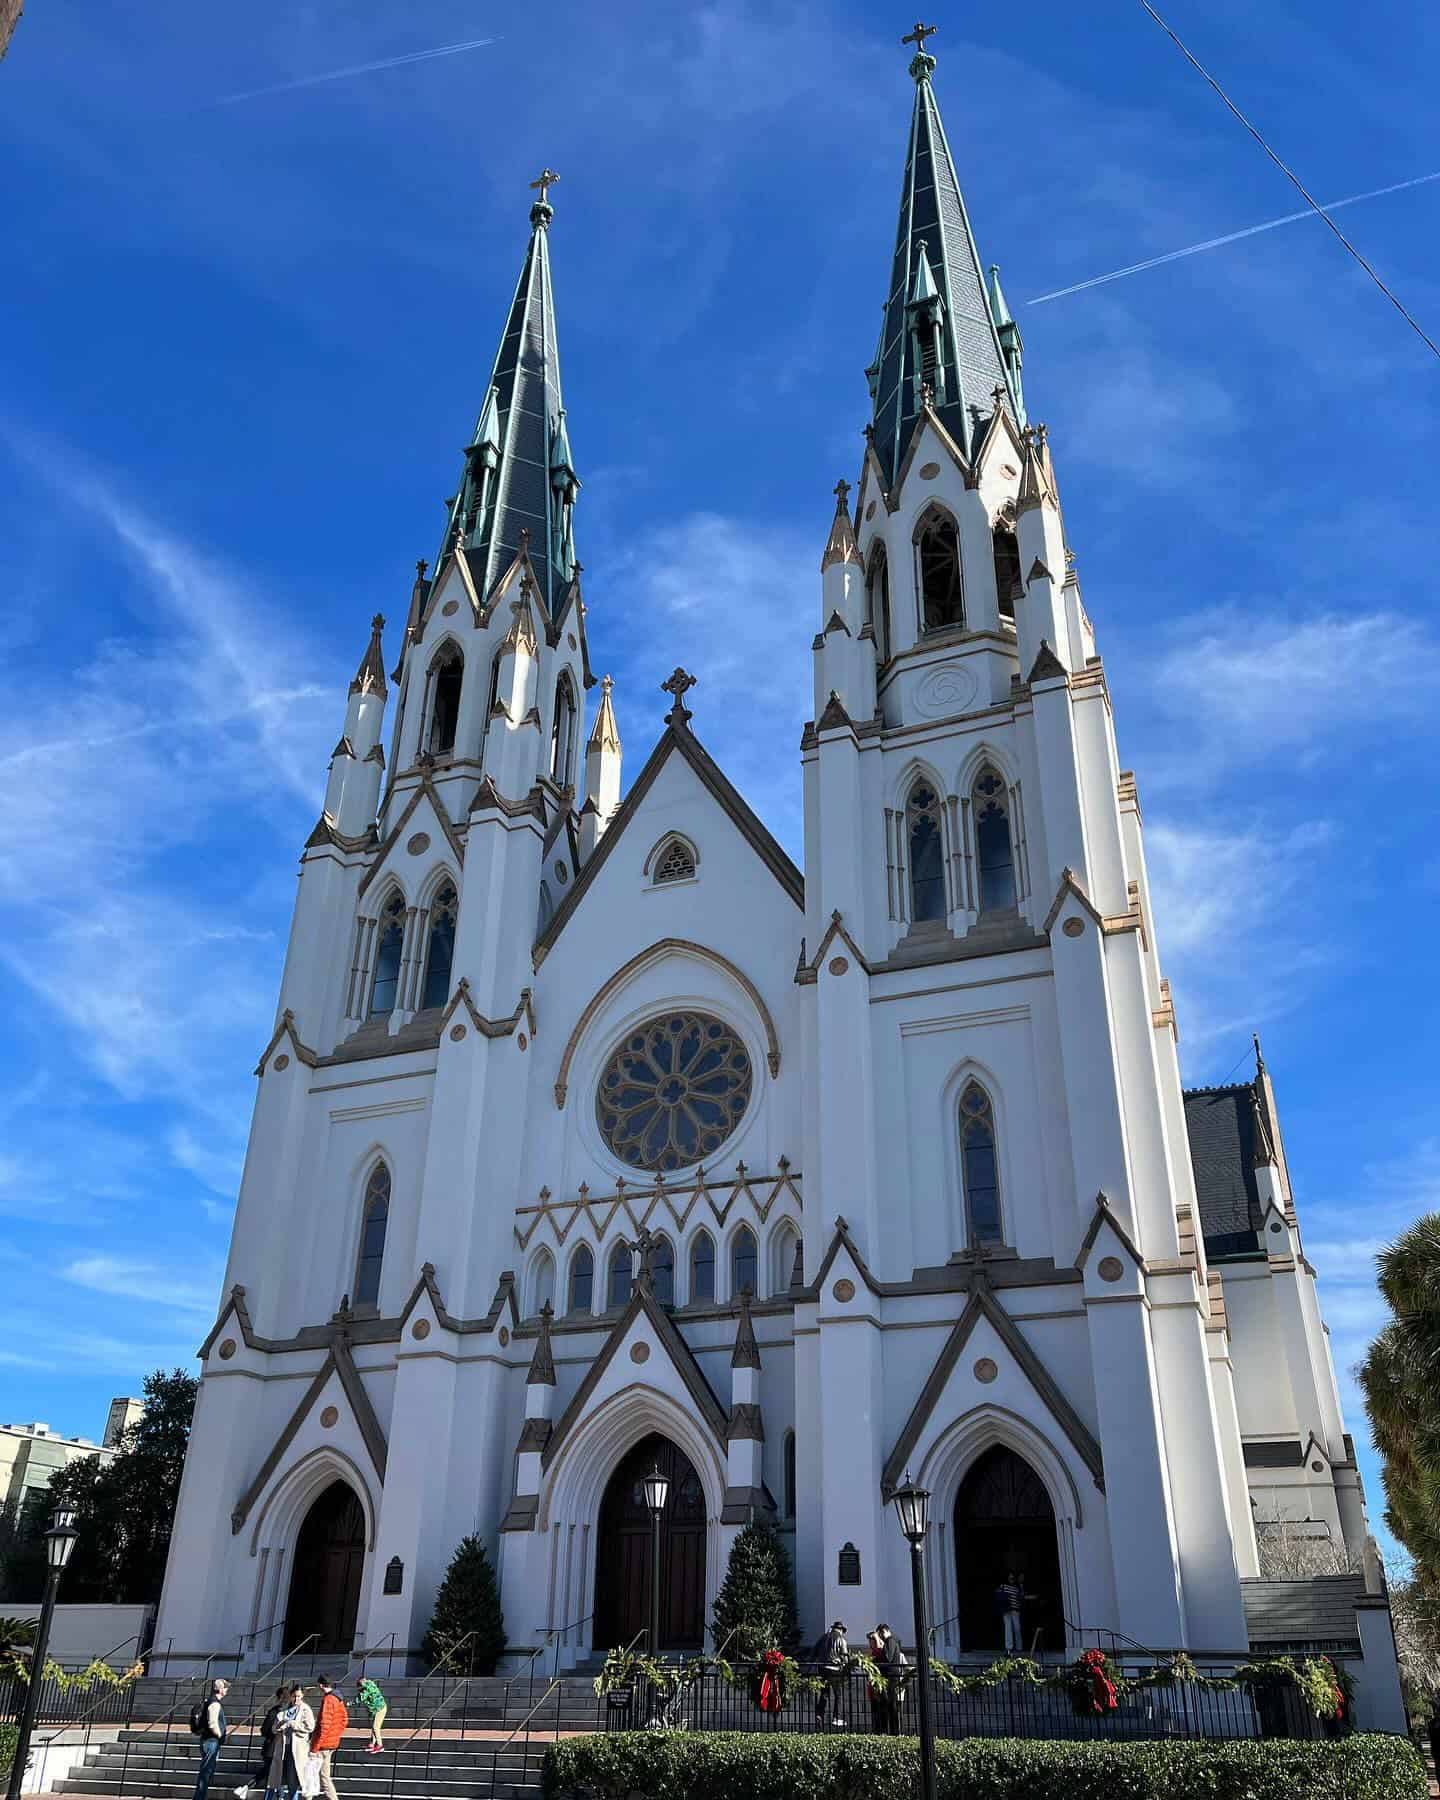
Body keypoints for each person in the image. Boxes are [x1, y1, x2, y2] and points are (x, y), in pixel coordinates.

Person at [234, 1687, 289, 1800]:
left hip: (272, 1748)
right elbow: (265, 1730)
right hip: (274, 1748)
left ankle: (246, 1788)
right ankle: (279, 1796)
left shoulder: (275, 1712)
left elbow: (264, 1730)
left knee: (270, 1773)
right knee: (275, 1774)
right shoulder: (278, 1712)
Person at [264, 1684, 315, 1800]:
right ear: (291, 1696)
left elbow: (310, 1727)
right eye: (294, 1696)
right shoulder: (285, 1709)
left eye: (299, 1697)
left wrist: (294, 1724)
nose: (297, 1699)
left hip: (297, 1750)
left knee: (293, 1781)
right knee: (276, 1779)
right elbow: (273, 1728)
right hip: (282, 1748)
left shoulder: (305, 1709)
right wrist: (280, 1726)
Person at [310, 1677, 347, 1800]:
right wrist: (335, 1735)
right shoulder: (338, 1698)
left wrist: (315, 1748)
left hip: (323, 1745)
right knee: (324, 1776)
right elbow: (344, 1720)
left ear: (321, 1685)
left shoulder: (328, 1699)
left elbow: (324, 1726)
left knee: (311, 1774)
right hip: (331, 1743)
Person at [193, 1679, 229, 1800]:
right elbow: (212, 1723)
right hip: (211, 1742)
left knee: (206, 1772)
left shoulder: (210, 1701)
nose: (227, 1690)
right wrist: (219, 1735)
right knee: (205, 1773)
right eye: (225, 1687)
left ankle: (200, 1796)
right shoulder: (214, 1703)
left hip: (207, 1741)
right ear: (220, 1689)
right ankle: (199, 1798)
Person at [814, 1620, 849, 1728]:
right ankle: (837, 1718)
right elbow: (845, 1657)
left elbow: (814, 1651)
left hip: (822, 1668)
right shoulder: (841, 1639)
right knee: (838, 1694)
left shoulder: (823, 1637)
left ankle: (819, 1714)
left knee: (824, 1693)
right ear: (841, 1630)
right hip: (835, 1669)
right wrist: (847, 1667)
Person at [875, 1623, 907, 1735]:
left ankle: (893, 1732)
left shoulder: (890, 1641)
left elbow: (887, 1657)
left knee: (891, 1706)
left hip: (891, 1677)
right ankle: (892, 1732)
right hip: (891, 1677)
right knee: (889, 1707)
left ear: (884, 1631)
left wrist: (875, 1662)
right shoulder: (891, 1641)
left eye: (880, 1634)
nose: (881, 1637)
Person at [995, 1570, 1028, 1653]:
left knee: (1017, 1629)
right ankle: (1009, 1648)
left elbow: (1021, 1597)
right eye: (1010, 1577)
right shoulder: (1003, 1586)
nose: (1011, 1579)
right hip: (1006, 1610)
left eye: (1013, 1578)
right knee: (1008, 1629)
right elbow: (997, 1594)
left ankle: (1019, 1647)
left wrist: (1021, 1586)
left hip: (1015, 1610)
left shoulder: (1017, 1588)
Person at [355, 1677, 387, 1754]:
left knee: (375, 1727)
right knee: (374, 1726)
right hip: (376, 1709)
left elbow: (360, 1698)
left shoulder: (366, 1690)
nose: (359, 1691)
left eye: (359, 1689)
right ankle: (372, 1744)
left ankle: (380, 1745)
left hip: (380, 1709)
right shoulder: (369, 1684)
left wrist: (350, 1703)